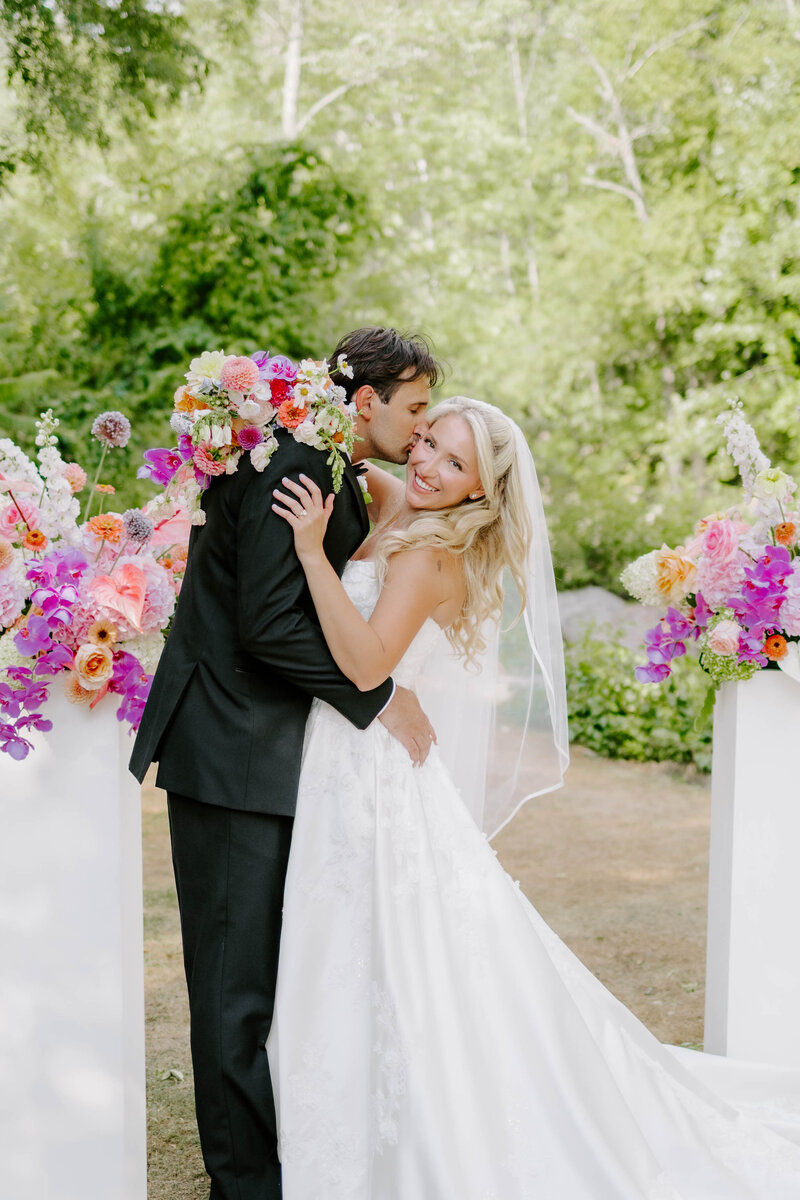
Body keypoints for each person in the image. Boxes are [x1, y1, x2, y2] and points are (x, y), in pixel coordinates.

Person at [268, 395, 800, 1199]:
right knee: (352, 941)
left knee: (386, 944)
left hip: (371, 766)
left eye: (456, 466)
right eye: (431, 444)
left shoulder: (430, 556)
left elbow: (369, 667)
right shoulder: (397, 500)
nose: (431, 468)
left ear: (481, 493)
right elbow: (363, 467)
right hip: (345, 757)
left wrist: (312, 554)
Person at [129, 327, 442, 1200]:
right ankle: (245, 1186)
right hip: (230, 747)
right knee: (234, 993)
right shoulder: (294, 460)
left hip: (269, 749)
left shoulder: (327, 456)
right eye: (414, 409)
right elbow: (265, 625)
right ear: (366, 399)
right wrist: (376, 699)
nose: (423, 429)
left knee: (267, 979)